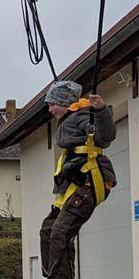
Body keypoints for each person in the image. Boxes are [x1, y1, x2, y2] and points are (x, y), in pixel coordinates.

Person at [39, 80, 117, 278]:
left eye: (52, 104)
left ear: (65, 103)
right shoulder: (70, 119)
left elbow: (106, 135)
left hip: (90, 183)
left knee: (60, 233)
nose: (50, 110)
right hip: (77, 185)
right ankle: (52, 274)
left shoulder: (84, 116)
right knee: (47, 230)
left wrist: (99, 111)